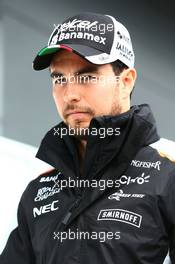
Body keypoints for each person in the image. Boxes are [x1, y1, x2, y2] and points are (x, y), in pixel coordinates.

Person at [0, 12, 174, 264]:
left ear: (125, 81)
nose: (69, 94)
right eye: (59, 78)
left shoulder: (167, 176)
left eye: (87, 76)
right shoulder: (38, 191)